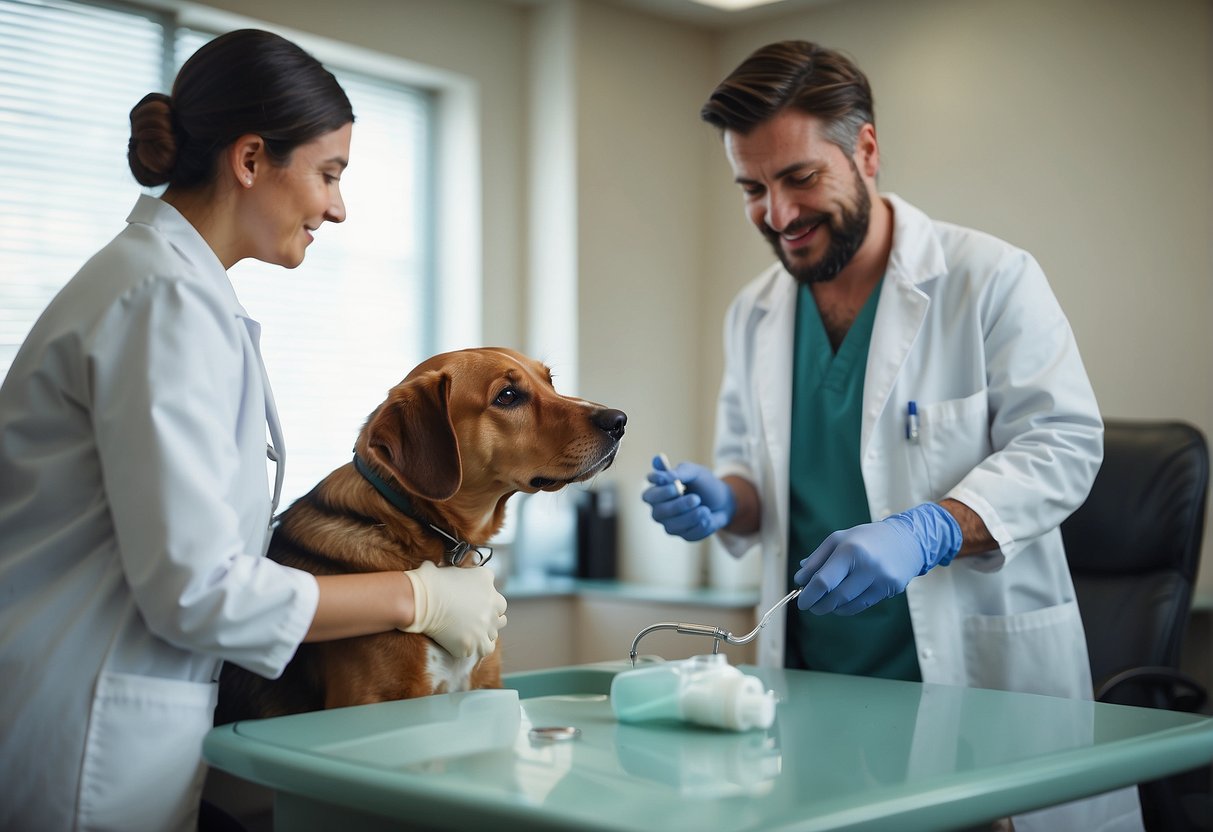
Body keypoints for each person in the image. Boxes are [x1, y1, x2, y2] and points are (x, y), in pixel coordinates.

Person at [0, 29, 506, 832]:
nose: (337, 206)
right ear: (248, 160)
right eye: (328, 174)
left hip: (111, 716)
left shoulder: (170, 291)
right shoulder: (161, 300)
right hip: (86, 735)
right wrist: (415, 595)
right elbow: (199, 592)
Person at [643, 40, 1142, 831]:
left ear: (865, 149)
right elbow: (756, 478)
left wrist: (931, 529)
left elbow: (1062, 446)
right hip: (811, 705)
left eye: (799, 178)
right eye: (752, 189)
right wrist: (723, 500)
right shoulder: (755, 311)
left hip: (975, 698)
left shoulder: (988, 278)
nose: (777, 216)